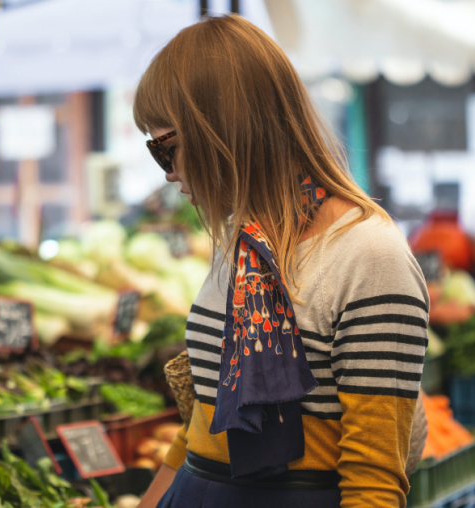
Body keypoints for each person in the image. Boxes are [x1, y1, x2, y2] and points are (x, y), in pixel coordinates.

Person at [134, 15, 428, 508]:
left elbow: (374, 480)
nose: (168, 173)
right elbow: (206, 420)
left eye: (166, 149)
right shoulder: (244, 241)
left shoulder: (368, 256)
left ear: (222, 131)